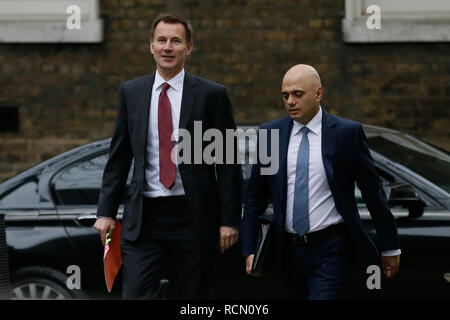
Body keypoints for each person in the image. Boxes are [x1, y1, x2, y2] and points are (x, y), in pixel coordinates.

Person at [94, 13, 242, 299]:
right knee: (135, 293)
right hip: (144, 218)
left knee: (196, 297)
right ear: (151, 46)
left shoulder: (212, 95)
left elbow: (227, 162)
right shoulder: (132, 92)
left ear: (188, 48)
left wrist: (229, 220)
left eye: (176, 41)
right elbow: (119, 157)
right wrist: (106, 212)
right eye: (161, 40)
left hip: (194, 217)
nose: (167, 47)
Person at [240, 64, 400, 299]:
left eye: (297, 94)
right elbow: (254, 197)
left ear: (318, 93)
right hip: (287, 249)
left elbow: (372, 192)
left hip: (330, 247)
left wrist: (390, 246)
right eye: (285, 95)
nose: (290, 102)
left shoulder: (346, 133)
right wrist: (250, 248)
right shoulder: (270, 134)